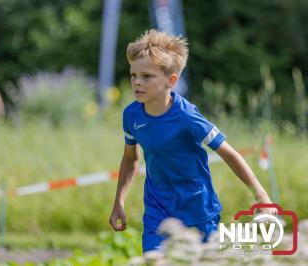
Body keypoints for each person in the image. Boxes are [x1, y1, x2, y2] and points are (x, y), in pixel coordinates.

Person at [108, 30, 277, 253]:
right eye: (133, 75)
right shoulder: (131, 116)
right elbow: (130, 158)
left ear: (171, 80)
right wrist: (119, 202)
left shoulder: (187, 116)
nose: (137, 82)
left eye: (146, 76)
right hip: (157, 211)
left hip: (198, 210)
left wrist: (262, 196)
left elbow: (230, 153)